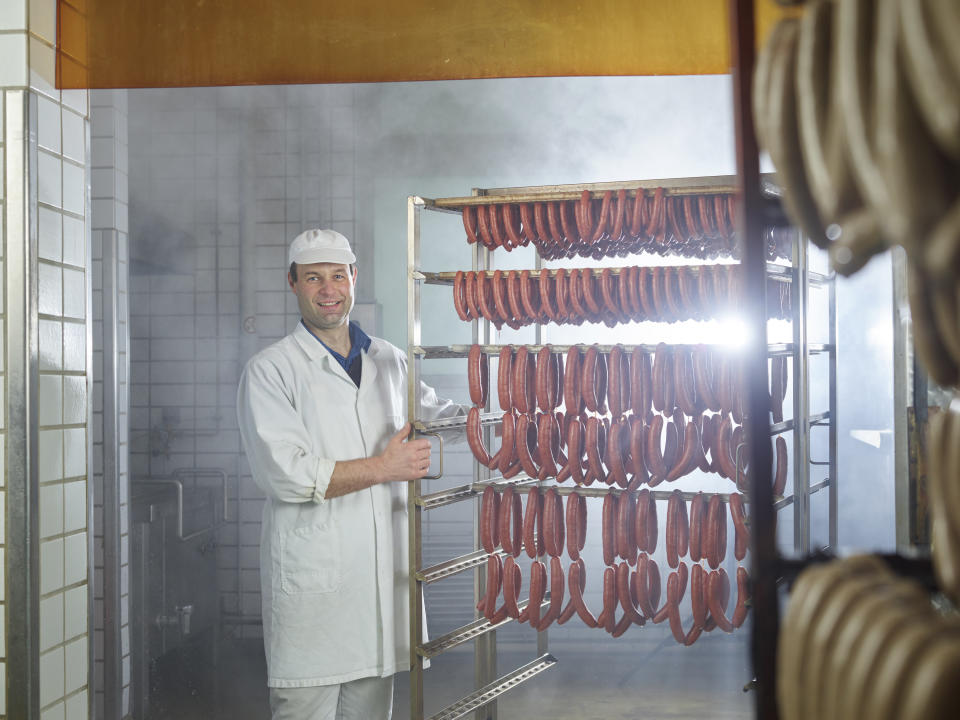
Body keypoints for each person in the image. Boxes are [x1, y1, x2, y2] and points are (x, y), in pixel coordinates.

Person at [237, 228, 462, 720]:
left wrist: (512, 422)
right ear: (292, 283)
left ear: (354, 279)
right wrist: (385, 468)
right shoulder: (271, 370)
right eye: (314, 278)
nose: (328, 289)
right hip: (316, 596)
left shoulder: (388, 358)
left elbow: (439, 415)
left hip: (378, 593)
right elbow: (286, 475)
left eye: (338, 276)